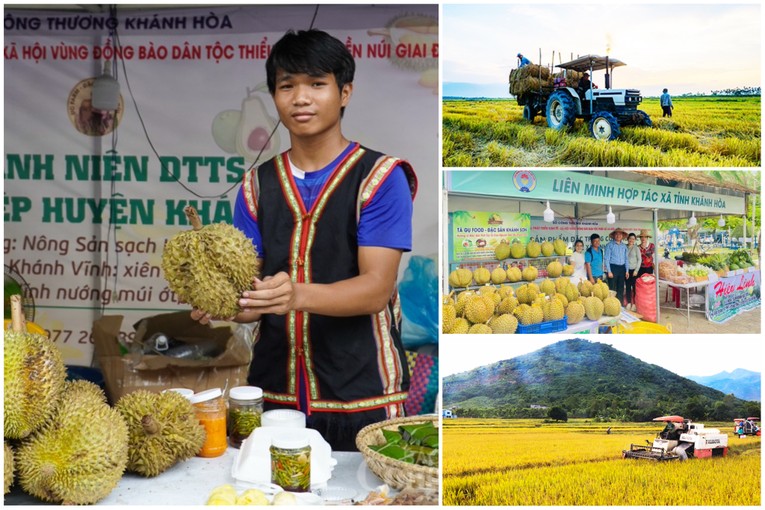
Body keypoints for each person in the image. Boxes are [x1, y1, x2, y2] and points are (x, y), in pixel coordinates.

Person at [192, 29, 417, 451]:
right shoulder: (256, 186)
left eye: (317, 84)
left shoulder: (381, 179)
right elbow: (252, 293)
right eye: (287, 86)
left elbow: (375, 289)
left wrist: (295, 295)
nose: (301, 98)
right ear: (275, 97)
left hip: (362, 396)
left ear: (344, 92)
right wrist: (222, 301)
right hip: (274, 396)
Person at [604, 228, 628, 304]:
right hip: (613, 268)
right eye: (617, 234)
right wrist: (609, 271)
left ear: (622, 236)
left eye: (620, 234)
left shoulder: (624, 246)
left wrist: (627, 270)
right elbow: (606, 259)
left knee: (620, 287)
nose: (618, 236)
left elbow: (626, 259)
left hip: (622, 268)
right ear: (614, 235)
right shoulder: (609, 245)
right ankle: (611, 304)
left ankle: (619, 305)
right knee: (612, 288)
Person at [625, 232, 641, 311]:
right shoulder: (624, 247)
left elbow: (639, 259)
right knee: (627, 287)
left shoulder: (636, 248)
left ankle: (634, 304)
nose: (631, 240)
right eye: (630, 238)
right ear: (627, 239)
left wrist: (636, 270)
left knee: (634, 288)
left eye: (633, 239)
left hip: (634, 271)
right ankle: (628, 302)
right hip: (626, 271)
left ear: (635, 240)